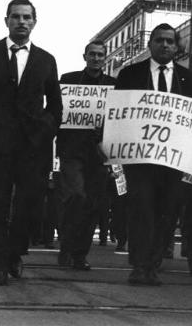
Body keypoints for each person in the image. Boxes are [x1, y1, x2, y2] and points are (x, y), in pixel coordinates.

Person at [0, 0, 62, 286]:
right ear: (6, 20)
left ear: (34, 21)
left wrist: (46, 129)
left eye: (26, 17)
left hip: (33, 146)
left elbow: (55, 106)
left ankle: (16, 252)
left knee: (29, 204)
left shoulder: (46, 60)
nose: (21, 22)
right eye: (15, 17)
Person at [114, 23, 192, 286]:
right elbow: (118, 114)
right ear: (150, 45)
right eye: (159, 40)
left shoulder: (190, 80)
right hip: (140, 159)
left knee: (167, 212)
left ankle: (152, 264)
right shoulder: (130, 75)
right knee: (141, 208)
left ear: (177, 47)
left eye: (169, 41)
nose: (164, 45)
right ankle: (139, 265)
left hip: (175, 161)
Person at [56, 41, 116, 270]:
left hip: (100, 154)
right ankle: (66, 245)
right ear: (85, 56)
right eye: (92, 54)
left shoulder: (113, 85)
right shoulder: (68, 80)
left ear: (105, 58)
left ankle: (80, 254)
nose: (96, 58)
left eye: (100, 55)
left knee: (92, 204)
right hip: (72, 151)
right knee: (75, 197)